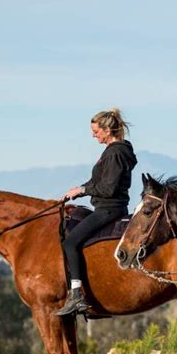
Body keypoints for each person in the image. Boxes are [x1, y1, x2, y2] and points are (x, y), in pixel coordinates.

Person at [55, 108, 137, 316]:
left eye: (96, 131)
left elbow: (108, 188)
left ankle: (76, 296)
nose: (93, 135)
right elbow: (96, 182)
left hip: (109, 209)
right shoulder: (112, 151)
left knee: (71, 242)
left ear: (108, 129)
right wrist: (75, 192)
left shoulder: (116, 152)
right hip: (104, 206)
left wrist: (83, 190)